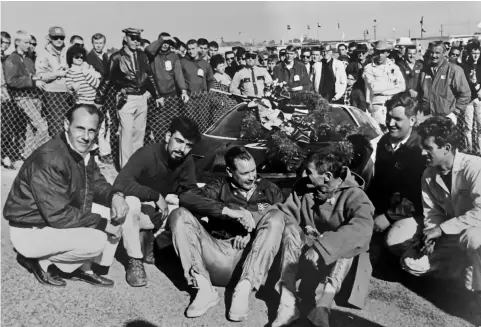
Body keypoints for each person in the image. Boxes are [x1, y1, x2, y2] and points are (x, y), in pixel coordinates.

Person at [3, 104, 130, 288]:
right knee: (98, 239)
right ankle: (40, 261)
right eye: (80, 128)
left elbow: (95, 182)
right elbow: (58, 215)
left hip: (50, 222)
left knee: (117, 212)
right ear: (66, 124)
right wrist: (102, 224)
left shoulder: (81, 149)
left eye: (91, 131)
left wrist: (114, 196)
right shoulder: (51, 158)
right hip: (31, 228)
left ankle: (82, 267)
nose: (86, 137)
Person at [168, 146, 286, 320]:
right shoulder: (218, 187)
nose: (252, 177)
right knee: (179, 215)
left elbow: (280, 221)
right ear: (230, 172)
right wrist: (227, 211)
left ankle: (244, 289)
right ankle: (203, 288)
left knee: (277, 216)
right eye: (245, 173)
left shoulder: (270, 189)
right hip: (217, 256)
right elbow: (187, 198)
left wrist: (252, 232)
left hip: (251, 260)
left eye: (254, 170)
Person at [271, 150, 374, 327]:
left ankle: (323, 306)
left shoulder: (355, 196)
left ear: (327, 176)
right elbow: (284, 213)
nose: (304, 175)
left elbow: (363, 229)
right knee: (289, 228)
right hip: (304, 258)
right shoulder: (304, 188)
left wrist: (321, 246)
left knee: (348, 242)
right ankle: (287, 303)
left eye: (309, 172)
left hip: (335, 263)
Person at [112, 116, 201, 287]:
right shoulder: (147, 154)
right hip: (138, 211)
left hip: (159, 212)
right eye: (179, 141)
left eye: (188, 145)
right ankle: (134, 259)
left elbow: (190, 190)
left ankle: (153, 241)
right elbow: (121, 183)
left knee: (188, 210)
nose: (182, 149)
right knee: (130, 202)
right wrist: (155, 195)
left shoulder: (186, 160)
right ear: (168, 137)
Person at [399, 116, 481, 296]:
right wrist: (431, 236)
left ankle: (474, 288)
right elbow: (432, 212)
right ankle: (458, 271)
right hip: (453, 235)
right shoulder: (428, 174)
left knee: (473, 238)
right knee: (411, 262)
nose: (422, 153)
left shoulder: (475, 168)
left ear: (447, 148)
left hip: (474, 232)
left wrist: (441, 230)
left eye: (428, 148)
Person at [366, 93, 426, 255]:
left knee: (393, 242)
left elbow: (419, 197)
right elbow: (379, 183)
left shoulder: (421, 149)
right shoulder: (384, 142)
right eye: (389, 117)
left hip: (412, 211)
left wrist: (389, 217)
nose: (390, 123)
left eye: (397, 119)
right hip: (387, 208)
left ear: (412, 120)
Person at [95, 27, 163, 169]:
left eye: (138, 38)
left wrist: (157, 95)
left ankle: (136, 167)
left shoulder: (142, 56)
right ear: (125, 38)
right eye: (132, 38)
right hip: (126, 98)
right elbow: (107, 79)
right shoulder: (116, 57)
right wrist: (99, 100)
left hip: (141, 97)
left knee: (139, 133)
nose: (135, 41)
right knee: (126, 133)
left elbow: (149, 76)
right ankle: (126, 168)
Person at [3, 30, 49, 159]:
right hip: (22, 97)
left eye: (30, 42)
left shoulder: (29, 58)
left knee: (31, 129)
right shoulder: (11, 60)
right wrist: (32, 82)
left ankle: (28, 156)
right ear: (17, 43)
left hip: (34, 96)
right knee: (42, 127)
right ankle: (38, 155)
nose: (29, 45)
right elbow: (11, 81)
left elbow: (33, 74)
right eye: (26, 42)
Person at [417, 41, 471, 134]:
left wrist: (455, 112)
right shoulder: (424, 71)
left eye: (437, 53)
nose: (434, 55)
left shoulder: (454, 70)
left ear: (444, 53)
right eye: (432, 52)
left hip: (446, 118)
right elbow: (420, 93)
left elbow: (465, 93)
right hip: (428, 117)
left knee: (446, 145)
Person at [144, 34, 188, 142]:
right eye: (163, 42)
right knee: (159, 126)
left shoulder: (174, 56)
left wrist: (183, 90)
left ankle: (170, 146)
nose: (164, 45)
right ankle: (160, 146)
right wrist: (162, 39)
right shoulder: (153, 55)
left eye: (167, 43)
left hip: (171, 96)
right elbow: (148, 49)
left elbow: (178, 74)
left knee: (172, 124)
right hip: (157, 97)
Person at [35, 26, 70, 137]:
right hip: (53, 94)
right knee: (57, 126)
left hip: (69, 92)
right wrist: (56, 74)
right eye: (55, 38)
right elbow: (40, 75)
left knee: (69, 125)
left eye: (61, 37)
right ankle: (57, 151)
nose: (59, 40)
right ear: (50, 38)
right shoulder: (44, 54)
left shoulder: (67, 52)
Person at [363, 40, 406, 126]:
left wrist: (384, 90)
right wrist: (392, 86)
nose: (380, 55)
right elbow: (374, 88)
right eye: (378, 52)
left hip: (393, 105)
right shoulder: (369, 68)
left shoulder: (394, 67)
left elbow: (402, 87)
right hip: (378, 106)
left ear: (387, 53)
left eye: (382, 53)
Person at [86, 33, 112, 165]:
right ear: (92, 44)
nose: (98, 45)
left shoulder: (106, 56)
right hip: (95, 96)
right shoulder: (89, 58)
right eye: (96, 43)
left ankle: (104, 151)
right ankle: (98, 153)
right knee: (97, 125)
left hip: (107, 96)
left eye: (101, 43)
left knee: (106, 124)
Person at [463, 42, 481, 153]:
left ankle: (479, 149)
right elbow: (465, 82)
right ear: (470, 53)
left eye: (477, 53)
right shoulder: (465, 66)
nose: (475, 55)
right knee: (468, 127)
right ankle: (468, 148)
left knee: (479, 127)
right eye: (473, 53)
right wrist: (475, 86)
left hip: (479, 99)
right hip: (469, 99)